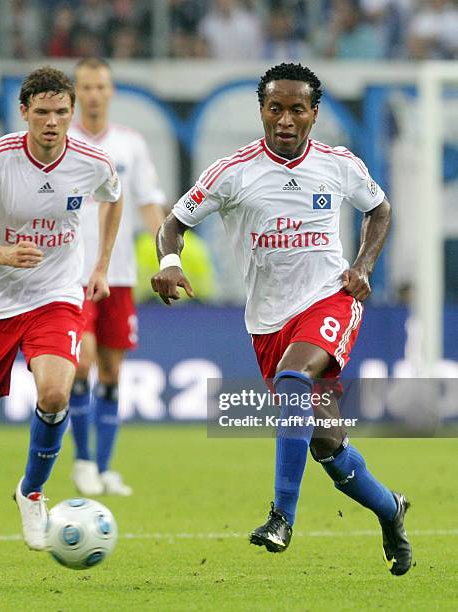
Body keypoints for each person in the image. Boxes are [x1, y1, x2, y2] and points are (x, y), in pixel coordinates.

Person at [151, 62, 412, 576]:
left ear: (314, 114)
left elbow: (379, 210)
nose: (286, 119)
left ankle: (280, 517)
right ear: (262, 111)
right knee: (325, 442)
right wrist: (170, 263)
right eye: (276, 108)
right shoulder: (232, 172)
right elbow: (172, 225)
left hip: (329, 299)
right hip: (268, 321)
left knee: (295, 379)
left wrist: (362, 267)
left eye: (297, 109)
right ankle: (390, 509)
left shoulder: (341, 165)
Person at [0, 66, 122, 565]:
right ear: (24, 112)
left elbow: (114, 196)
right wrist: (5, 254)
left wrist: (102, 263)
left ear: (71, 114)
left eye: (60, 113)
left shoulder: (91, 162)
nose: (51, 122)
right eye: (41, 112)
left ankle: (33, 492)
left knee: (55, 392)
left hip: (56, 294)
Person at [67, 57, 166, 496]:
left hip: (119, 274)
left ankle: (105, 468)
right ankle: (83, 462)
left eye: (100, 87)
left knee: (110, 372)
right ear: (75, 92)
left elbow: (148, 202)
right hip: (69, 274)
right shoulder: (60, 142)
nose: (93, 94)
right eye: (85, 87)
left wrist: (167, 257)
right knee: (82, 362)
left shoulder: (129, 144)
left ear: (110, 92)